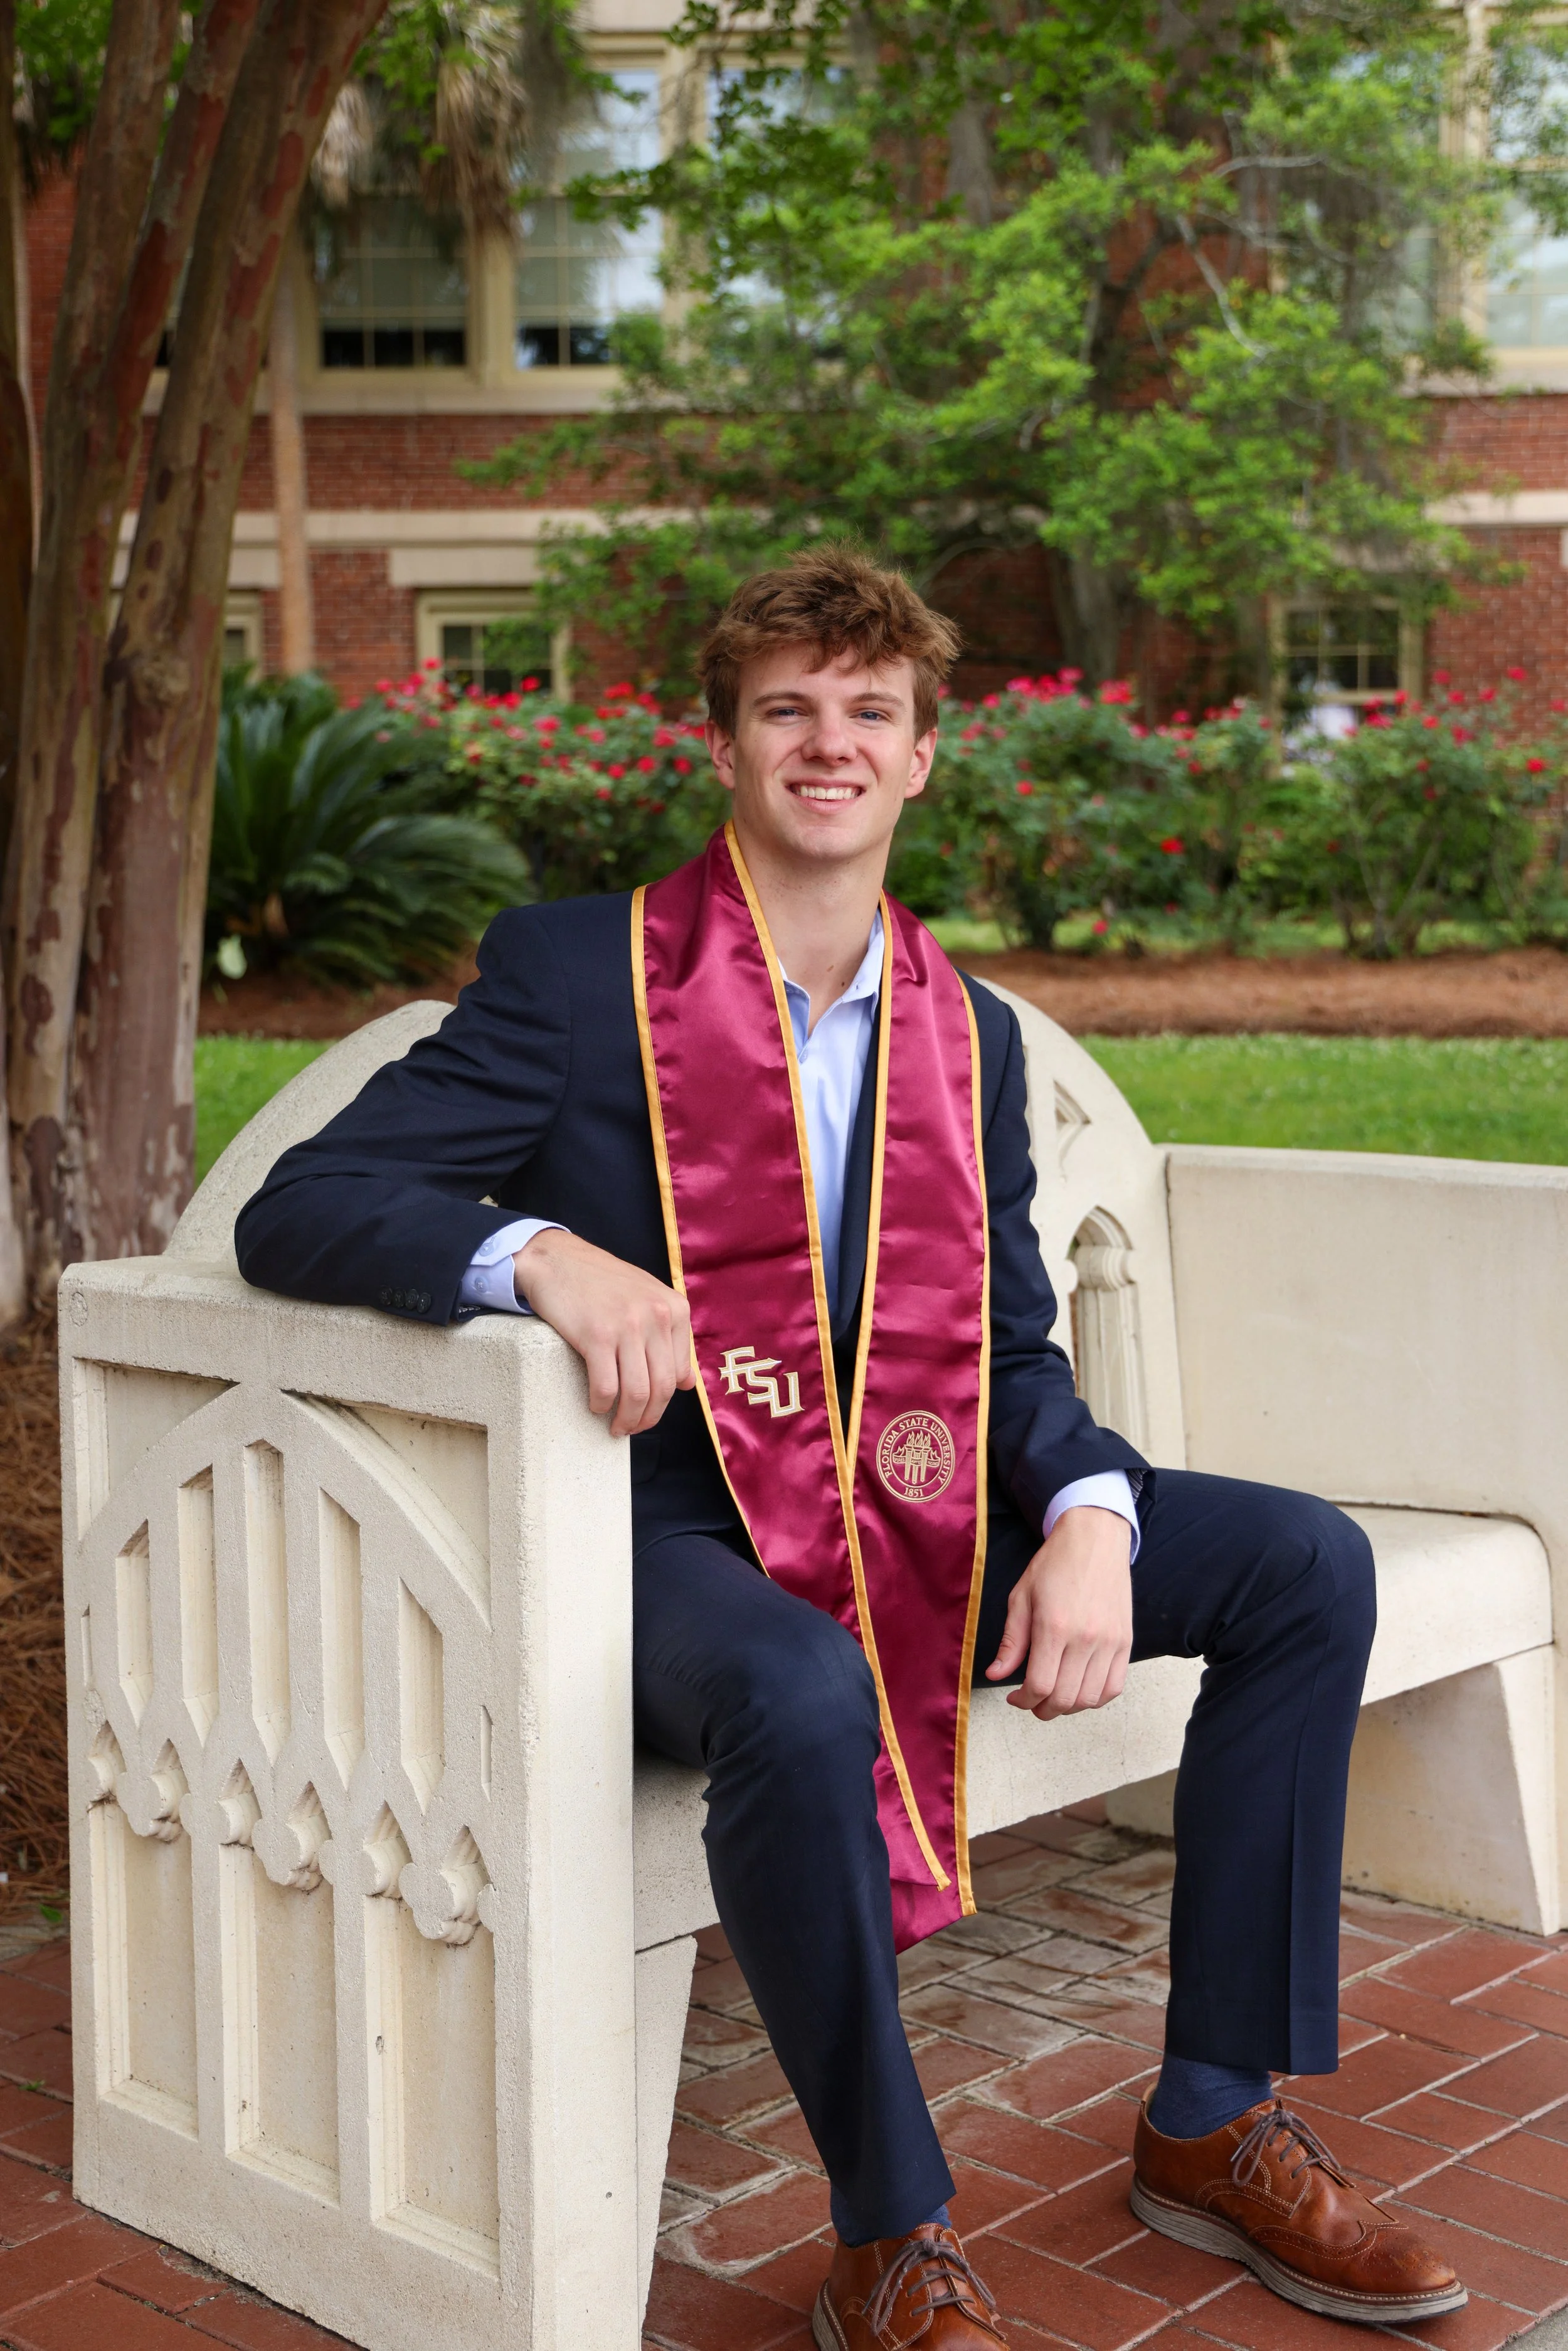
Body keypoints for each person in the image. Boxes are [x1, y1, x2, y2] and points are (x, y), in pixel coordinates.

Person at [236, 549, 1465, 2351]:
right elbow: (305, 1204)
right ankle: (888, 2231)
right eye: (788, 708)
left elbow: (1013, 1351)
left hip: (915, 1502)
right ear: (725, 748)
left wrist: (1094, 1516)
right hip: (660, 1529)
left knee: (1302, 1561)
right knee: (801, 1688)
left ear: (917, 759)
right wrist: (545, 1256)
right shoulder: (583, 976)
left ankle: (1210, 2113)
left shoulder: (961, 1029)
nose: (829, 742)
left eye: (866, 713)